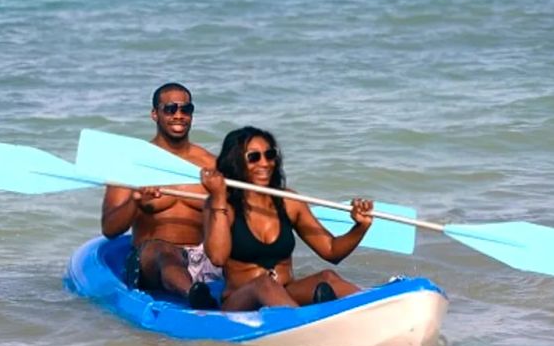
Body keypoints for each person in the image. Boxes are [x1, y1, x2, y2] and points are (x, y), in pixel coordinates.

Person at [200, 126, 374, 311]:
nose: (265, 163)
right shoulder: (221, 205)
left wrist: (360, 227)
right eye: (254, 157)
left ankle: (375, 309)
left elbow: (331, 251)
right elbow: (217, 257)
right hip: (241, 302)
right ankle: (303, 324)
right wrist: (218, 196)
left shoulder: (289, 201)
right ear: (235, 162)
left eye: (270, 154)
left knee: (328, 277)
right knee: (264, 284)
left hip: (285, 293)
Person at [101, 82, 221, 309]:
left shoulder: (211, 165)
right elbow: (109, 228)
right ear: (154, 114)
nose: (179, 115)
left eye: (186, 109)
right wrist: (136, 202)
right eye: (170, 109)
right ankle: (195, 297)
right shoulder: (132, 165)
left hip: (203, 258)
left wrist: (221, 197)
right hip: (153, 260)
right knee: (163, 250)